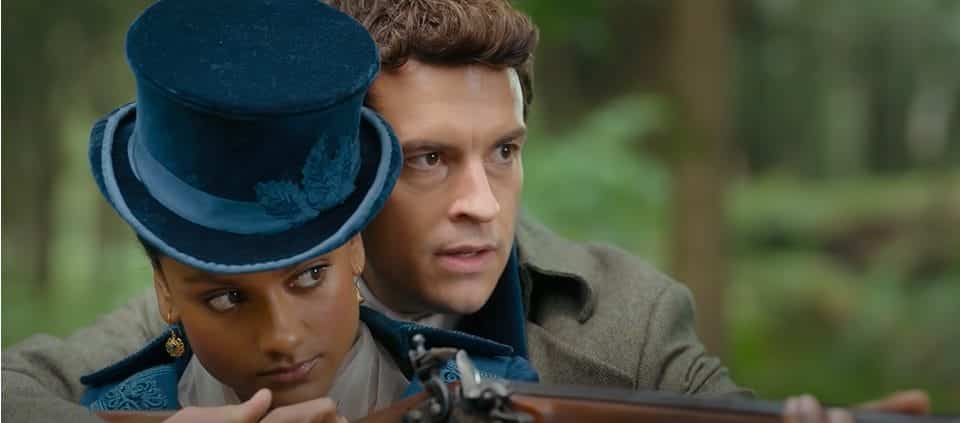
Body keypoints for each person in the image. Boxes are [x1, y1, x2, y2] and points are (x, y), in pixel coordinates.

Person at [2, 1, 930, 422]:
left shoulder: (628, 315)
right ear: (347, 172)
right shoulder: (223, 311)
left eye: (506, 153)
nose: (482, 205)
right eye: (431, 160)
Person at [31, 1, 538, 422]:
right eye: (229, 297)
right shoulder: (106, 403)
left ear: (355, 245)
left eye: (311, 275)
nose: (284, 337)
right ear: (165, 292)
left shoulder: (491, 385)